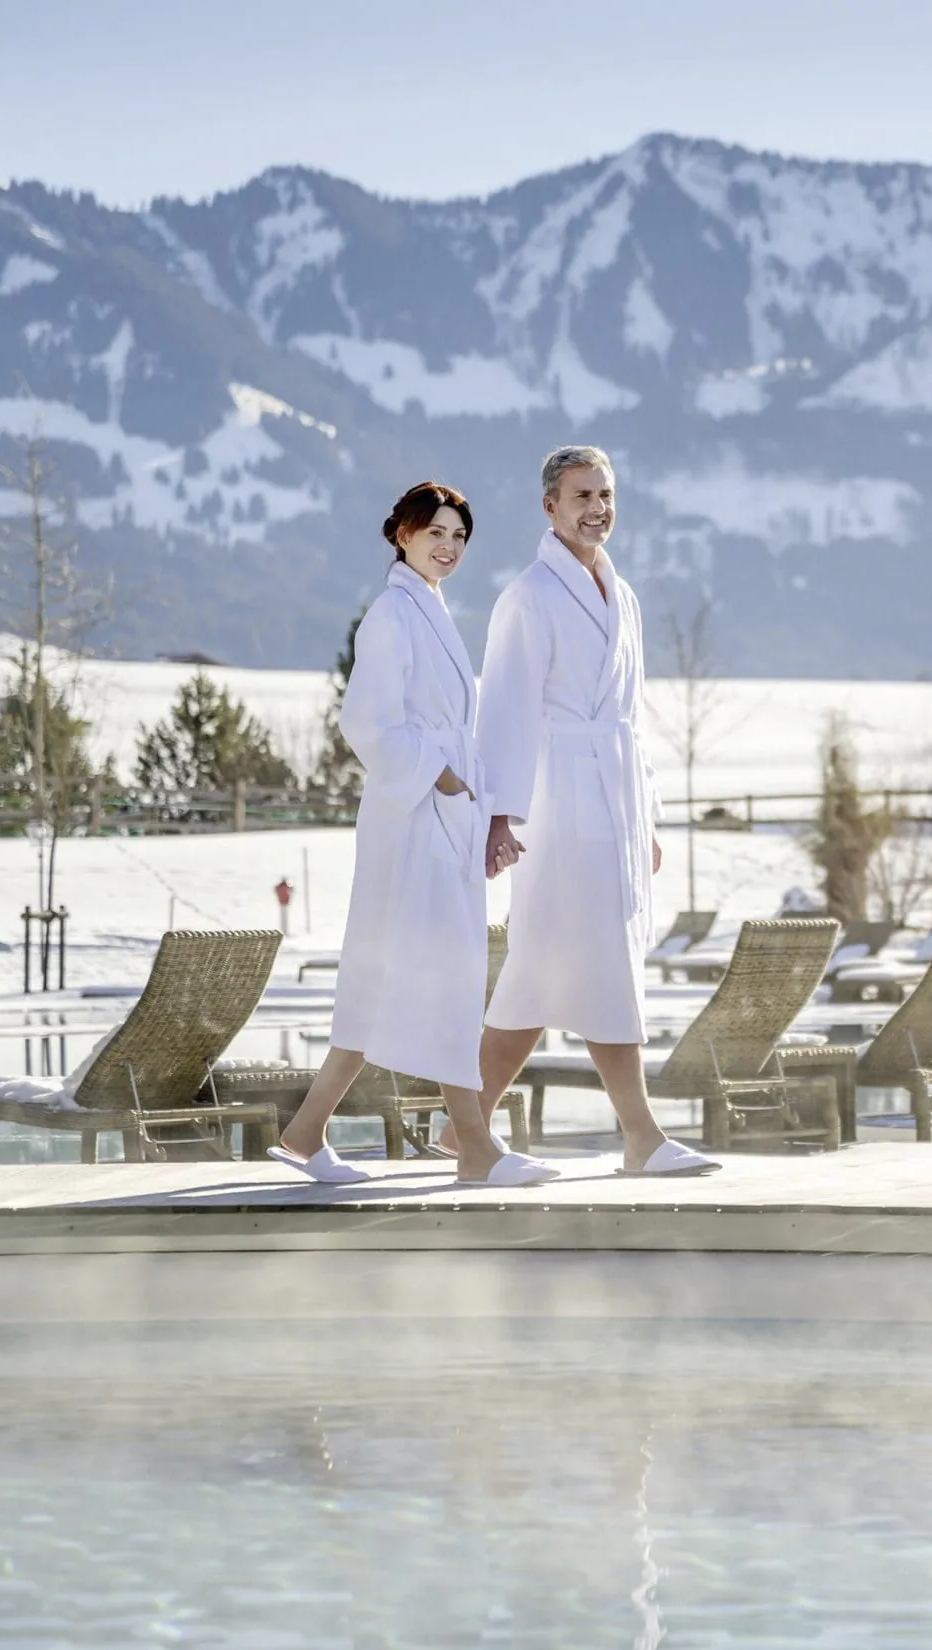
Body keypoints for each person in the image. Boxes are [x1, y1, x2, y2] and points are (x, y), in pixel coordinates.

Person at [272, 481, 557, 1187]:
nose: (449, 547)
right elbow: (367, 723)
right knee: (442, 977)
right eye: (436, 532)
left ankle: (305, 1133)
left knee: (388, 977)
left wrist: (479, 808)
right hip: (413, 824)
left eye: (459, 537)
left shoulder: (426, 609)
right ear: (403, 532)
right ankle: (477, 1148)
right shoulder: (392, 615)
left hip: (438, 822)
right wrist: (444, 780)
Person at [475, 446, 718, 1176]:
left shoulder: (625, 594)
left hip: (612, 800)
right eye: (582, 494)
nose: (597, 508)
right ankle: (641, 1135)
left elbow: (631, 717)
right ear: (549, 505)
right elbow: (505, 711)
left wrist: (647, 816)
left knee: (540, 974)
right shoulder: (529, 595)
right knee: (592, 963)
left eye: (607, 494)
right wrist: (499, 815)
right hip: (555, 804)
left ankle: (464, 1124)